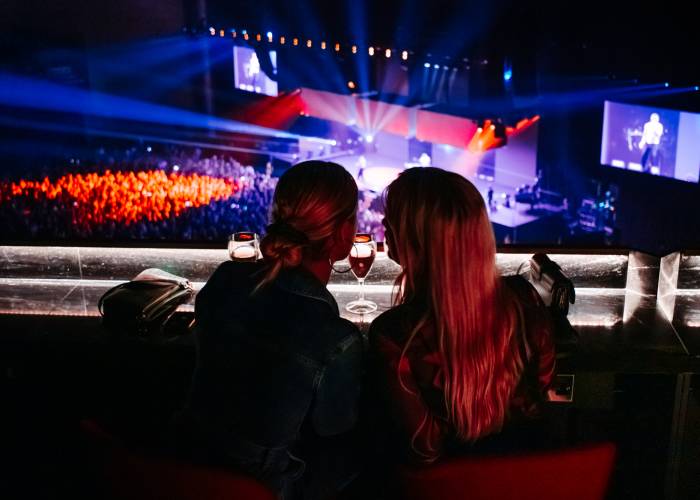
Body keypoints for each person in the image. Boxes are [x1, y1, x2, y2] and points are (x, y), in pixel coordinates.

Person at [173, 161, 363, 499]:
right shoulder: (336, 340)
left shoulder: (224, 280)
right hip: (267, 487)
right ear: (341, 236)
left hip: (180, 468)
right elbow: (335, 433)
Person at [368, 167, 555, 465]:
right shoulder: (525, 299)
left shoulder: (393, 334)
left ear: (419, 239)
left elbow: (423, 448)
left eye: (392, 219)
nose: (384, 224)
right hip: (526, 483)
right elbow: (543, 397)